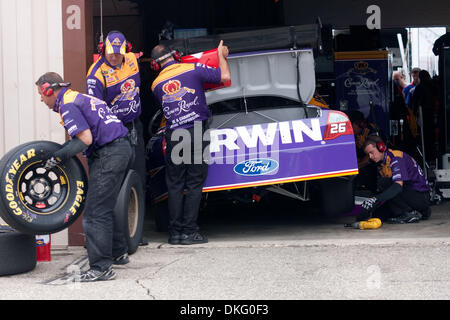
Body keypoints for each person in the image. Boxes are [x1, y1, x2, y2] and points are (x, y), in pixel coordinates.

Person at [36, 72, 132, 282]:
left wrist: (58, 156)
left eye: (41, 95)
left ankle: (101, 268)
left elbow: (85, 139)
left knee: (95, 212)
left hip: (110, 152)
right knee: (105, 206)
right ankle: (118, 252)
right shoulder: (80, 97)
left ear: (48, 90)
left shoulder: (67, 104)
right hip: (121, 148)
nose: (41, 100)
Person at [150, 40, 231, 245]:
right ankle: (190, 231)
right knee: (194, 182)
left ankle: (175, 234)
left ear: (156, 64)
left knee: (175, 184)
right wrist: (221, 56)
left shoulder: (155, 85)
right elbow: (225, 77)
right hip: (195, 131)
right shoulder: (192, 68)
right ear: (174, 55)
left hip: (174, 134)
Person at [86, 30, 146, 190]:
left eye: (118, 54)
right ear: (103, 49)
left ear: (126, 51)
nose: (113, 57)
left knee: (139, 171)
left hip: (134, 124)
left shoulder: (132, 59)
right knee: (118, 173)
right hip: (114, 131)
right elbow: (94, 111)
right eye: (110, 53)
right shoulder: (95, 74)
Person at [358, 135, 431, 224]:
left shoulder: (395, 157)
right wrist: (369, 207)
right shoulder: (382, 164)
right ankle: (418, 211)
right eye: (368, 154)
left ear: (381, 147)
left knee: (384, 183)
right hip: (410, 195)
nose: (370, 156)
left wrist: (375, 199)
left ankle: (408, 214)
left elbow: (397, 186)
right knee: (378, 215)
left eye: (372, 152)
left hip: (420, 196)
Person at [346, 110, 378, 192]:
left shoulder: (371, 132)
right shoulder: (354, 134)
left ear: (358, 124)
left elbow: (370, 158)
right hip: (364, 162)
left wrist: (352, 170)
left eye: (349, 125)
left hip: (379, 168)